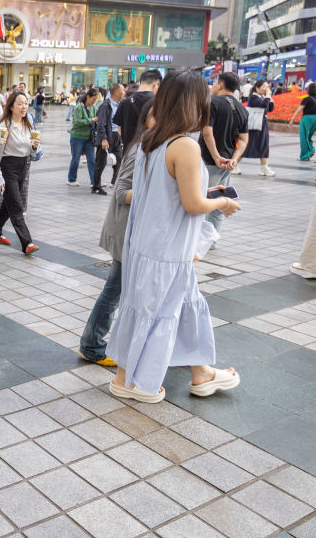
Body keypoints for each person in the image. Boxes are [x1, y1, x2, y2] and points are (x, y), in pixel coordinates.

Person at [106, 71, 242, 404]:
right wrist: (222, 203)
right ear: (194, 104)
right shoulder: (184, 146)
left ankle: (198, 373)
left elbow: (162, 193)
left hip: (147, 244)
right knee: (159, 311)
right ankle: (138, 382)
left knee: (164, 306)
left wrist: (206, 193)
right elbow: (193, 204)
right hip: (168, 249)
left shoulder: (151, 139)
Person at [79, 104, 152, 367]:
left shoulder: (153, 146)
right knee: (114, 290)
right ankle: (91, 345)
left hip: (137, 232)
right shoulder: (142, 147)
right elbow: (121, 192)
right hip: (126, 231)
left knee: (120, 291)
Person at [0, 91, 41, 254]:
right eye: (20, 103)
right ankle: (27, 243)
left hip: (24, 165)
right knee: (17, 205)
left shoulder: (28, 125)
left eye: (26, 103)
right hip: (8, 167)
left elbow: (31, 152)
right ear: (11, 106)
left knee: (9, 203)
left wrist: (34, 146)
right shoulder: (4, 126)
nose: (24, 106)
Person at [199, 72, 249, 238]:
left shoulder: (212, 103)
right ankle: (212, 239)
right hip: (227, 163)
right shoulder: (242, 109)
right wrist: (234, 159)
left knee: (202, 200)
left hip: (208, 161)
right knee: (219, 200)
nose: (212, 86)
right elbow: (244, 139)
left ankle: (200, 239)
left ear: (220, 85)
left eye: (214, 83)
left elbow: (207, 132)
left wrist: (215, 156)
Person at [115, 70, 162, 152]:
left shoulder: (124, 102)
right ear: (156, 84)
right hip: (149, 152)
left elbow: (119, 131)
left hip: (129, 152)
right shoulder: (158, 102)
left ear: (140, 83)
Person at [92, 83, 125, 194]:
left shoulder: (120, 105)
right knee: (101, 162)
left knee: (119, 159)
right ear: (116, 92)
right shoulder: (105, 105)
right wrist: (103, 139)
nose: (124, 93)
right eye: (123, 91)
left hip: (117, 136)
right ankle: (96, 187)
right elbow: (101, 124)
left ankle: (114, 182)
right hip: (107, 136)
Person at [242, 79, 276, 176]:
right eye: (264, 87)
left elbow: (270, 108)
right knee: (247, 146)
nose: (266, 89)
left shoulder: (262, 97)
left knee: (264, 145)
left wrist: (269, 97)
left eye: (267, 87)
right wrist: (268, 96)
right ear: (257, 88)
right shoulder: (254, 98)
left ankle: (264, 168)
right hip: (255, 126)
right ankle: (234, 165)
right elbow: (263, 105)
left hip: (262, 125)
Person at [67, 88, 98, 188]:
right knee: (76, 159)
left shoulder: (93, 108)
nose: (94, 101)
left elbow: (97, 118)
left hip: (88, 138)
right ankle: (72, 179)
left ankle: (94, 182)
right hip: (77, 137)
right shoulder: (79, 107)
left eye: (96, 99)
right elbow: (77, 122)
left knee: (92, 159)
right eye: (93, 99)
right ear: (88, 97)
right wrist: (91, 120)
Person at [289, 82, 316, 160]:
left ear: (309, 90)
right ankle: (311, 150)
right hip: (315, 118)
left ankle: (305, 156)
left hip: (307, 118)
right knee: (309, 136)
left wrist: (292, 119)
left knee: (304, 137)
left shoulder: (307, 99)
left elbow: (299, 110)